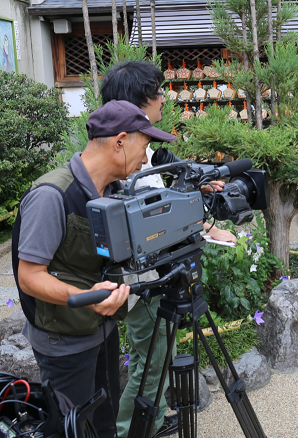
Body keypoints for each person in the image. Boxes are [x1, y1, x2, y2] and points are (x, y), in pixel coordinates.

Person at [12, 100, 176, 437]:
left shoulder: (113, 191)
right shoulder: (53, 196)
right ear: (119, 142)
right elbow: (29, 277)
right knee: (72, 430)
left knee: (104, 425)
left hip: (101, 329)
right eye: (143, 147)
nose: (146, 159)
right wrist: (86, 297)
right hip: (64, 344)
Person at [100, 60, 236, 438]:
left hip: (157, 278)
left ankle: (155, 419)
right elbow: (153, 224)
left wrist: (198, 183)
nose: (164, 99)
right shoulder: (126, 160)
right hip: (144, 281)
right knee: (150, 361)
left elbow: (163, 182)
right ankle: (130, 430)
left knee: (157, 355)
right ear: (142, 101)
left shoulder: (138, 149)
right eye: (159, 93)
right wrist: (208, 230)